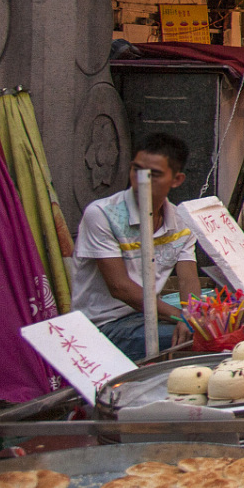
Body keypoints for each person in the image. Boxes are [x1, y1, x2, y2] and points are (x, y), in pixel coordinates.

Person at [71, 133, 202, 360]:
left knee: (223, 328)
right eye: (137, 170)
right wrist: (181, 318)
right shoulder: (102, 214)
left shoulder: (181, 223)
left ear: (177, 180)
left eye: (154, 175)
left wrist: (194, 315)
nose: (142, 181)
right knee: (196, 339)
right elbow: (120, 287)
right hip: (104, 325)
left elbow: (188, 279)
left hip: (147, 317)